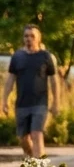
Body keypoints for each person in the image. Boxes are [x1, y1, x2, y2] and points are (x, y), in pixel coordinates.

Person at [2, 25, 60, 159]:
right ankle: (32, 160)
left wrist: (56, 102)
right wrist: (4, 100)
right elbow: (10, 79)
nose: (29, 39)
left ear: (39, 38)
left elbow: (54, 81)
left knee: (36, 134)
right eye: (26, 36)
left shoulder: (45, 56)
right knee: (23, 138)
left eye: (32, 36)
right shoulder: (17, 56)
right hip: (22, 104)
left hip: (40, 103)